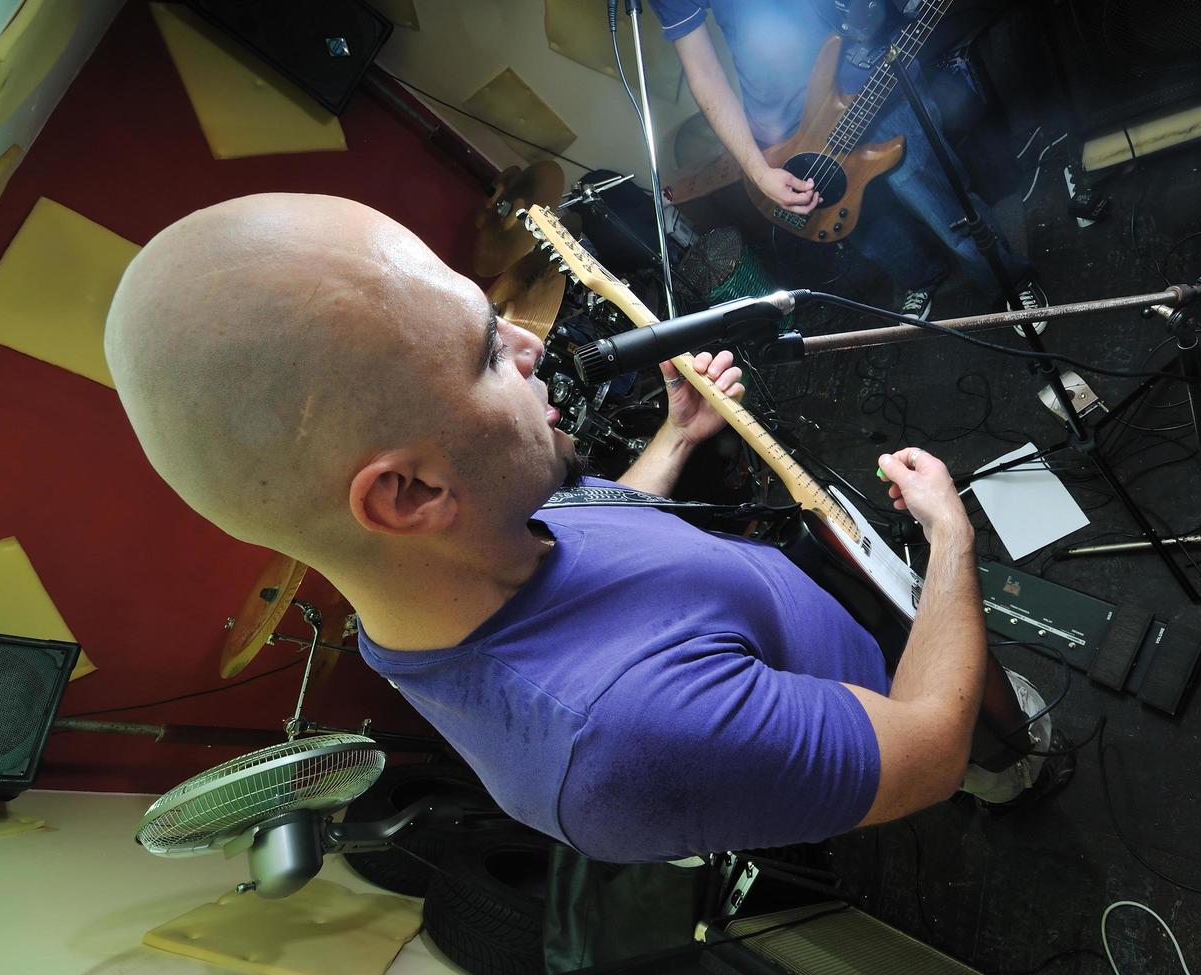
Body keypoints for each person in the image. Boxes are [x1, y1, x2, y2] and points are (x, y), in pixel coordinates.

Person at [104, 193, 1067, 863]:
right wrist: (950, 548)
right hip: (908, 706)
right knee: (992, 751)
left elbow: (602, 542)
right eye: (487, 351)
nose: (531, 344)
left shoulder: (459, 548)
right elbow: (929, 751)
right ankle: (1019, 772)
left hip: (860, 629)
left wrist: (673, 441)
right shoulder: (625, 739)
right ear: (406, 495)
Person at [654, 0, 1046, 325]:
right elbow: (702, 72)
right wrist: (757, 170)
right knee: (863, 226)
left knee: (940, 201)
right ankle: (920, 280)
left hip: (873, 78)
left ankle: (1006, 281)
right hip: (786, 128)